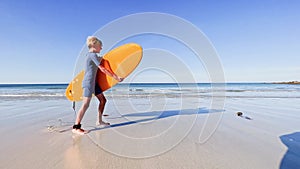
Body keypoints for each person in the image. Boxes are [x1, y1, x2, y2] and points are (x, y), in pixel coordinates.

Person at [72, 36, 124, 135]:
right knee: (85, 105)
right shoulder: (92, 55)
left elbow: (105, 59)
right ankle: (76, 127)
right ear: (94, 45)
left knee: (103, 100)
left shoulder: (91, 56)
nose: (101, 47)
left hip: (94, 83)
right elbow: (103, 69)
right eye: (100, 46)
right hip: (88, 83)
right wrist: (116, 77)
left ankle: (99, 121)